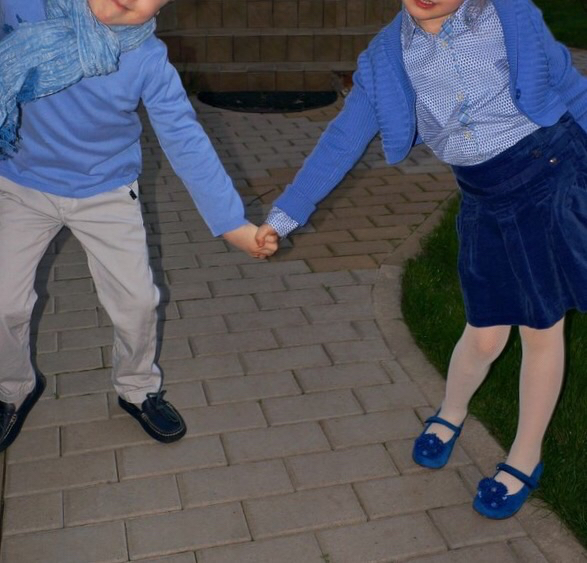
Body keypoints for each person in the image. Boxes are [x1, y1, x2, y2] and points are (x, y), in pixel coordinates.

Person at [255, 0, 587, 519]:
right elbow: (342, 138)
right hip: (483, 198)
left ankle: (526, 455)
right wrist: (284, 215)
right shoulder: (388, 55)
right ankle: (451, 411)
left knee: (540, 327)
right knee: (484, 332)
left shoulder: (510, 15)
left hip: (550, 175)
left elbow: (570, 87)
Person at [0, 0, 277, 452]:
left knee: (137, 303)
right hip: (21, 184)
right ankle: (13, 388)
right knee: (3, 303)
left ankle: (137, 387)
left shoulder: (147, 57)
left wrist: (232, 224)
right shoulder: (28, 7)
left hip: (106, 191)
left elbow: (185, 138)